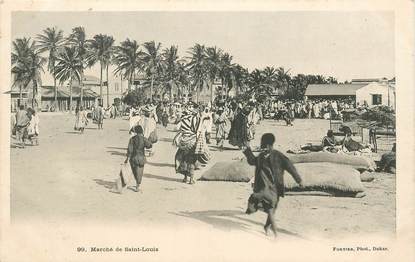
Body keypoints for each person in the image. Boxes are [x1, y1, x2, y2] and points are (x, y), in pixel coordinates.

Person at [244, 133, 303, 237]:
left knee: (273, 209)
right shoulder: (261, 157)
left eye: (265, 146)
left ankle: (267, 226)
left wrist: (298, 180)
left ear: (269, 145)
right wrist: (248, 151)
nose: (264, 148)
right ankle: (276, 235)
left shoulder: (278, 156)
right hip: (264, 187)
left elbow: (290, 167)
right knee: (271, 209)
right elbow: (252, 161)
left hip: (276, 187)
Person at [124, 125, 153, 192]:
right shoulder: (144, 138)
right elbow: (149, 146)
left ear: (136, 131)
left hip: (133, 158)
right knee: (140, 171)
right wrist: (150, 140)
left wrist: (127, 157)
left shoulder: (132, 139)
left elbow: (130, 149)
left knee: (135, 171)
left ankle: (136, 181)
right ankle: (138, 185)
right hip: (141, 158)